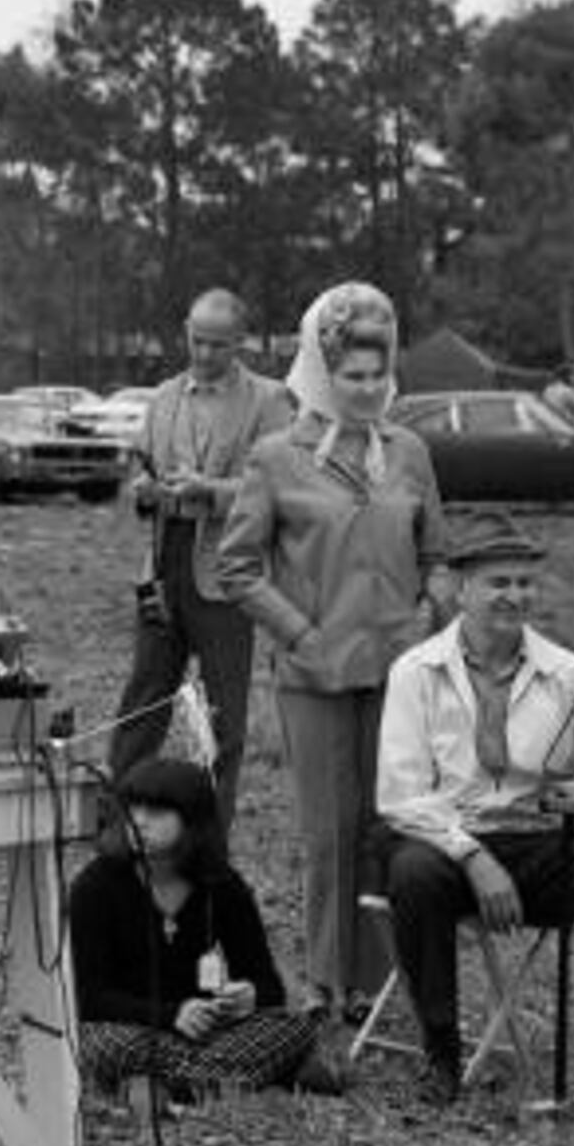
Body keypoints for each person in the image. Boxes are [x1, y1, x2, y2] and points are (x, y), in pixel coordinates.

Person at [215, 282, 442, 1015]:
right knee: (328, 832)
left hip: (398, 670)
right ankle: (324, 976)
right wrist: (299, 631)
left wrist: (425, 614)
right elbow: (238, 566)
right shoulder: (279, 456)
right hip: (313, 672)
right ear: (324, 375)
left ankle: (377, 985)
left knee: (389, 824)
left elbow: (438, 552)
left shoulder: (409, 452)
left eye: (379, 376)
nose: (368, 390)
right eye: (353, 376)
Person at [374, 518, 574, 1100]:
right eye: (498, 582)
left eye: (526, 583)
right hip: (444, 840)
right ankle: (442, 1056)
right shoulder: (415, 671)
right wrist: (473, 856)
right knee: (413, 875)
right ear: (459, 589)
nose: (515, 596)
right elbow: (401, 797)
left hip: (533, 838)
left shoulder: (565, 671)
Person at [104, 290, 295, 831]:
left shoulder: (269, 400)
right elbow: (137, 472)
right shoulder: (163, 397)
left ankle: (211, 833)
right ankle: (121, 823)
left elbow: (278, 485)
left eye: (218, 344)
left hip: (228, 573)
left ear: (240, 343)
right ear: (185, 331)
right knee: (143, 701)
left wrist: (208, 490)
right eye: (197, 340)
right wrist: (143, 489)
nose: (205, 353)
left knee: (222, 719)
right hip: (163, 565)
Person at [66, 755, 345, 1101]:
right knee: (106, 1045)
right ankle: (260, 1075)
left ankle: (170, 1085)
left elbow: (267, 984)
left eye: (156, 813)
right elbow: (89, 998)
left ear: (193, 821)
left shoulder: (221, 884)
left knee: (296, 1027)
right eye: (133, 810)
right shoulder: (96, 885)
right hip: (133, 1025)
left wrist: (247, 996)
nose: (139, 822)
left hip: (205, 1029)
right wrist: (170, 1016)